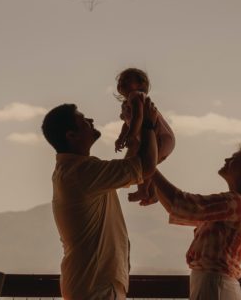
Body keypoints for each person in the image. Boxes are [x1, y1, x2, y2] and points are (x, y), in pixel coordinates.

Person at [41, 102, 158, 300]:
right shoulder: (82, 173)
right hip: (96, 289)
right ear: (71, 135)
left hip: (91, 286)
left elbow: (130, 168)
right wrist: (148, 124)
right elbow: (145, 166)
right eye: (83, 120)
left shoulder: (76, 171)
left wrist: (134, 136)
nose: (90, 121)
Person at [151, 143, 241, 300]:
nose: (227, 159)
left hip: (214, 287)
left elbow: (185, 205)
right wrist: (154, 180)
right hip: (214, 287)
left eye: (234, 158)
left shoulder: (237, 204)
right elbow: (178, 207)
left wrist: (150, 167)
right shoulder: (240, 205)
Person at [113, 67, 175, 204]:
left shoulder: (136, 96)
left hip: (160, 136)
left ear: (141, 84)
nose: (122, 83)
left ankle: (144, 191)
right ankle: (151, 192)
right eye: (120, 81)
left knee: (143, 164)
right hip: (158, 137)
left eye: (127, 80)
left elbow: (138, 116)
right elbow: (128, 123)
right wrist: (121, 137)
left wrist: (131, 135)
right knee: (147, 165)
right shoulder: (126, 103)